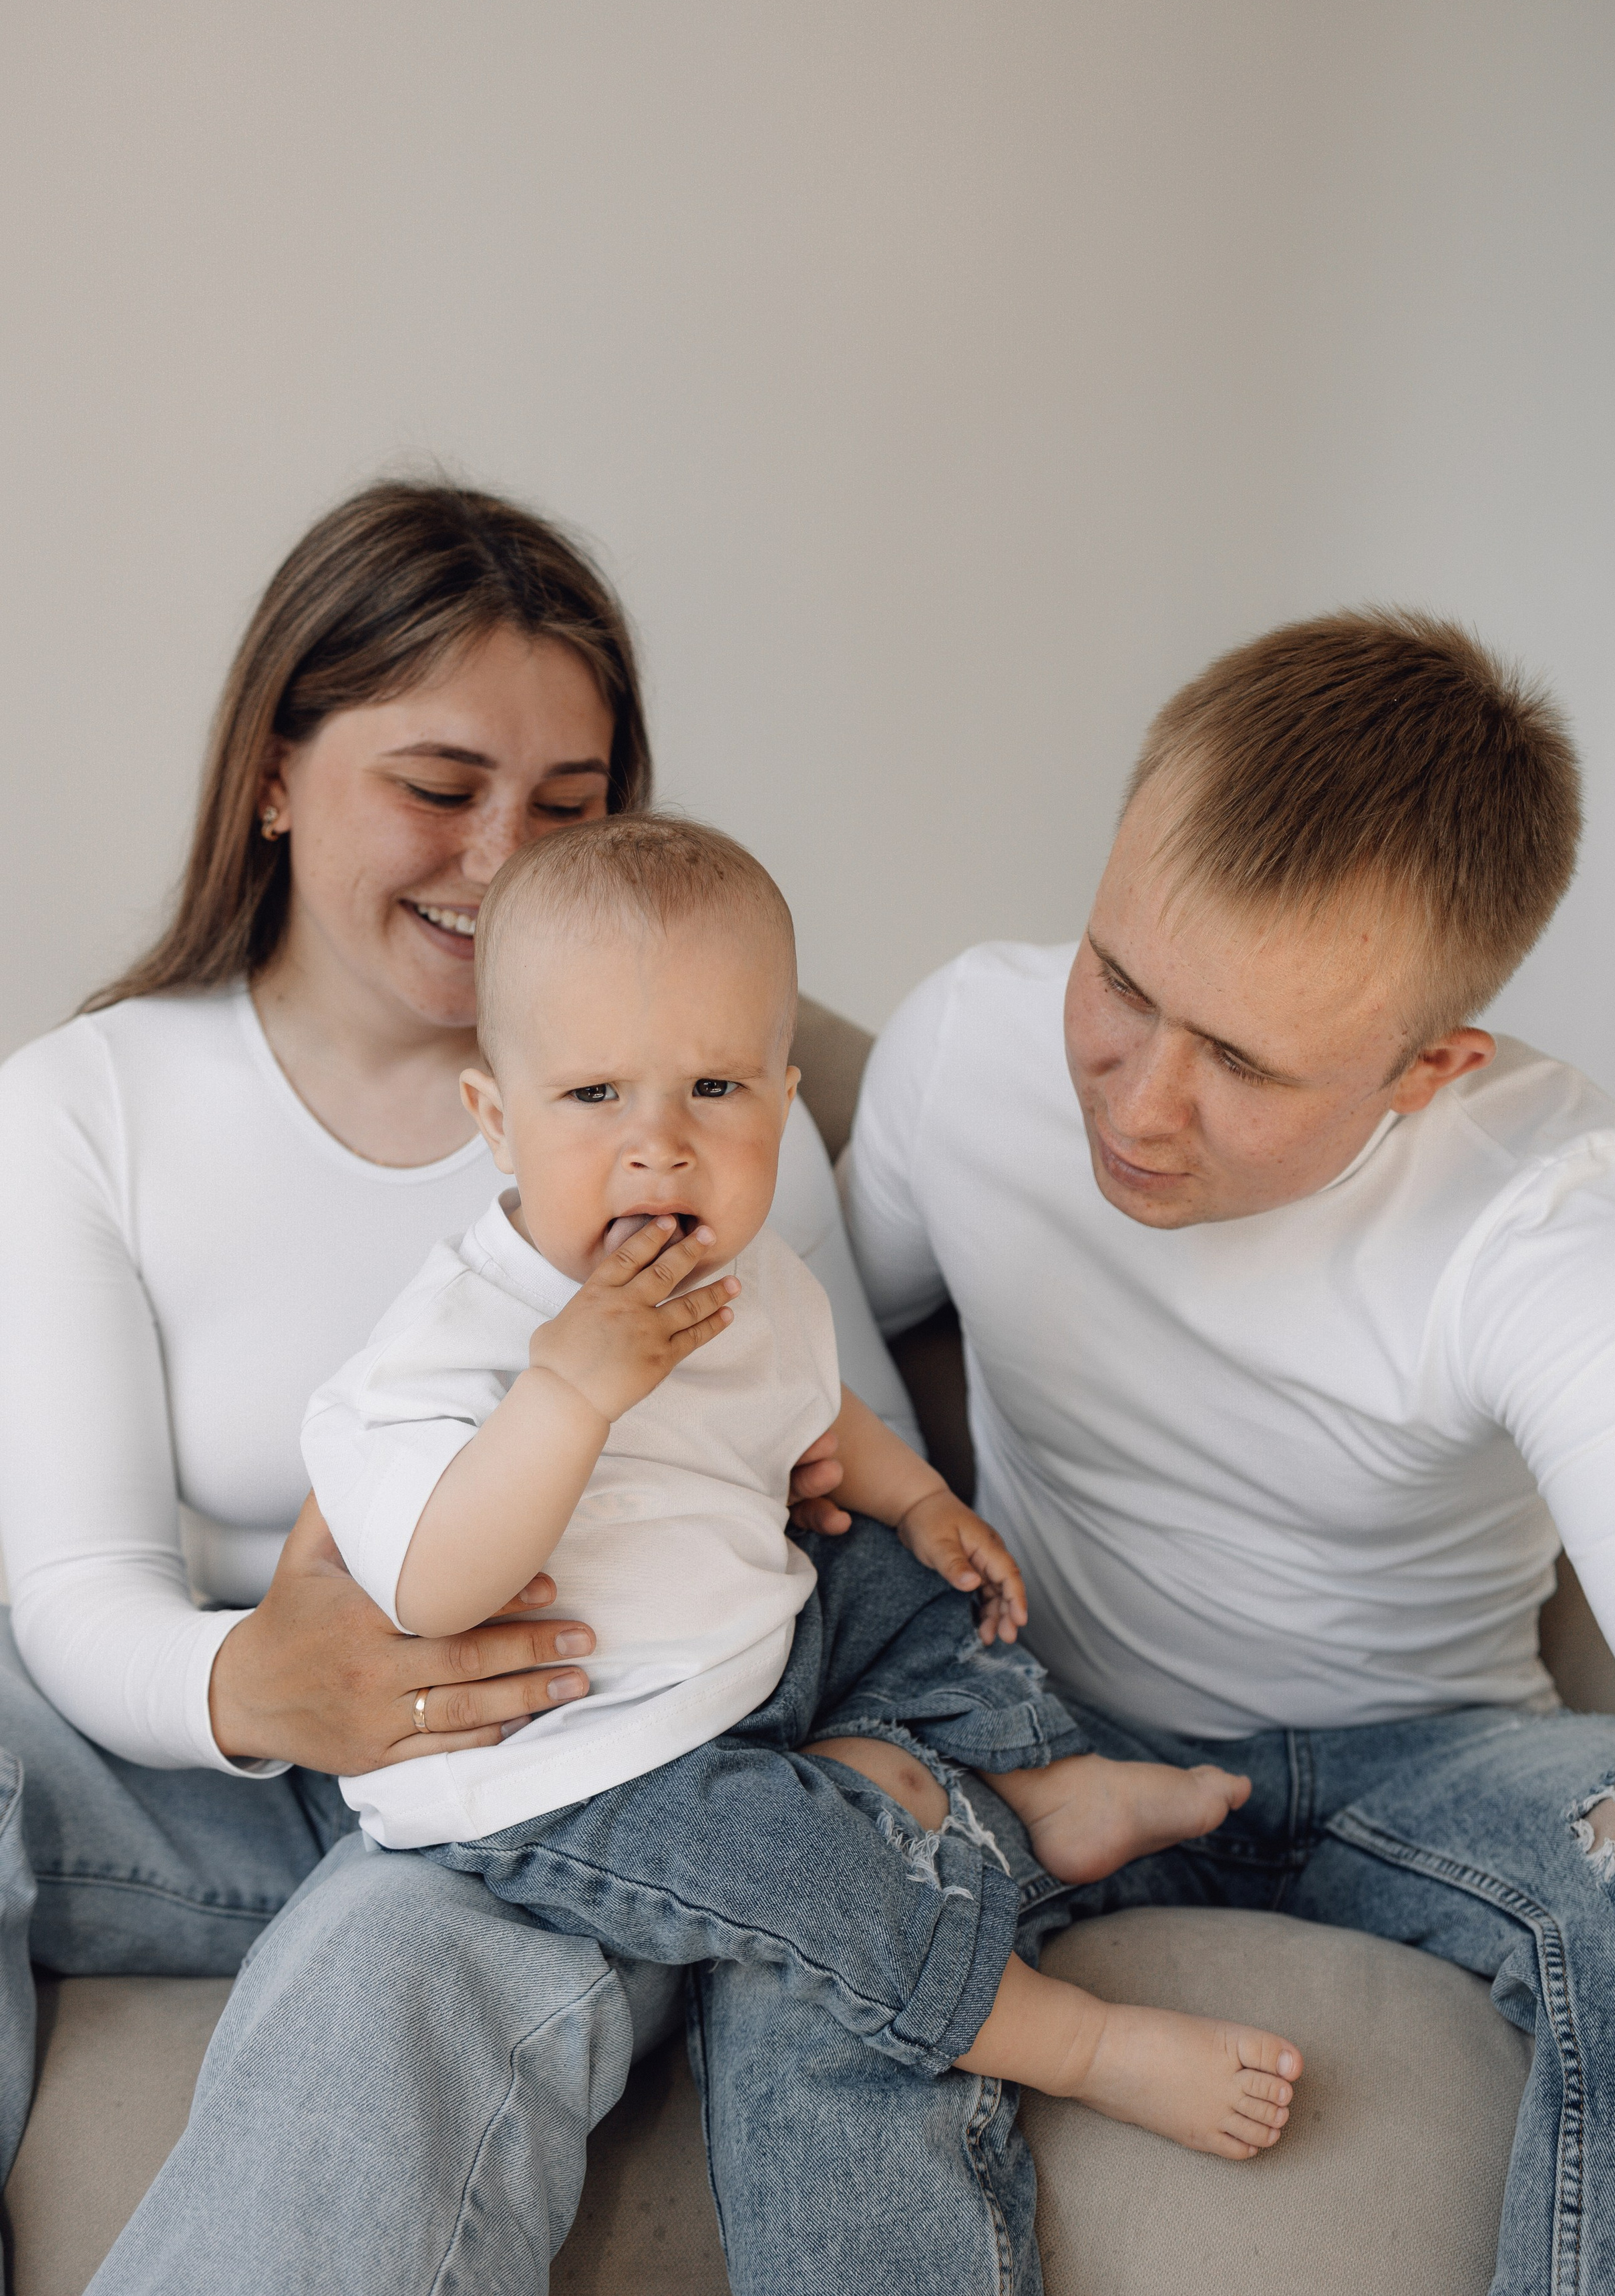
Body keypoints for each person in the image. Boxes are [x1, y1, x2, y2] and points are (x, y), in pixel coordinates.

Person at [0, 481, 1029, 2296]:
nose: (503, 861)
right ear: (275, 772)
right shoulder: (87, 1108)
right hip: (239, 1750)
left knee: (393, 1965)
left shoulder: (696, 1102)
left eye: (569, 802)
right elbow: (77, 1583)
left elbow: (811, 1442)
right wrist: (256, 1687)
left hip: (566, 1763)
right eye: (439, 786)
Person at [842, 609, 1615, 2296]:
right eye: (1121, 981)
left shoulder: (1560, 1226)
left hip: (1426, 1759)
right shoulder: (963, 1050)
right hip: (1034, 1737)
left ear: (1429, 1066)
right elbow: (813, 1376)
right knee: (801, 1874)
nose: (1137, 1101)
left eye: (1243, 1061)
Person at [303, 813, 1296, 2157]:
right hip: (582, 1766)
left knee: (898, 1571)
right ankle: (1076, 2041)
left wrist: (920, 1501)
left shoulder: (746, 1271)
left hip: (748, 1656)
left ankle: (1037, 1779)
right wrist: (569, 1395)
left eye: (712, 1090)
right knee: (810, 1868)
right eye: (593, 1097)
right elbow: (434, 1591)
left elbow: (811, 1403)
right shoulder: (442, 1349)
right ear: (496, 1119)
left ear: (780, 1105)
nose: (659, 1147)